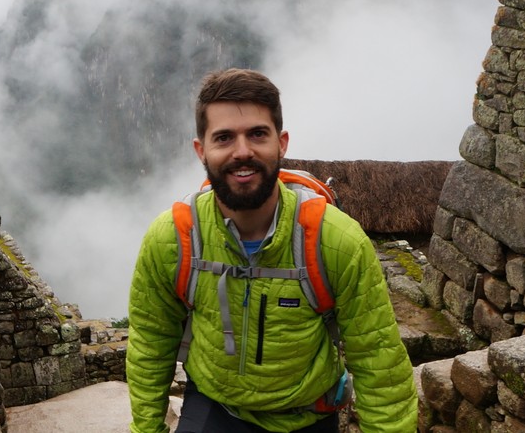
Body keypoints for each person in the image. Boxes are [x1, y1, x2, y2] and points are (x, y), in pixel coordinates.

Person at [126, 68, 417, 433]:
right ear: (202, 150)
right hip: (216, 407)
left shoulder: (336, 241)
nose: (242, 151)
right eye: (224, 138)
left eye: (257, 135)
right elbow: (151, 343)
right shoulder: (174, 238)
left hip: (305, 414)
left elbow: (379, 362)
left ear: (281, 143)